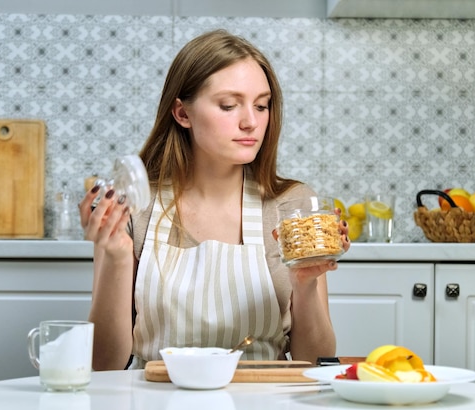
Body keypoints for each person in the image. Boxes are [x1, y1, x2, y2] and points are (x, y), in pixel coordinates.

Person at [79, 29, 350, 371]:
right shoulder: (138, 207)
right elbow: (102, 365)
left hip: (264, 397)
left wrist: (305, 284)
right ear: (182, 113)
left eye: (262, 105)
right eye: (228, 105)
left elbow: (316, 359)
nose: (251, 122)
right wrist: (116, 257)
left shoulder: (291, 206)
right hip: (155, 397)